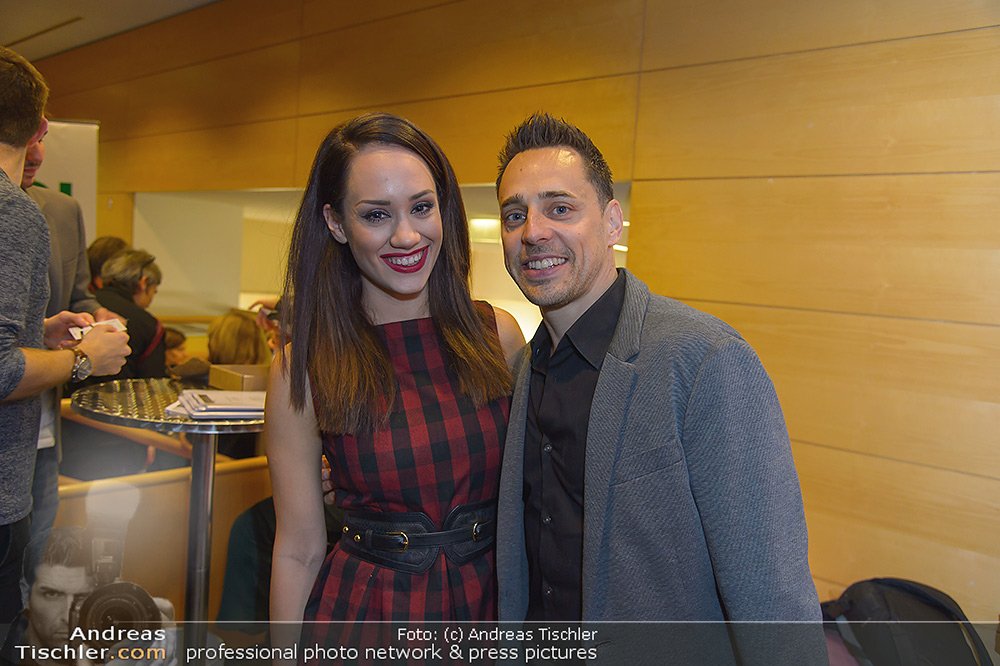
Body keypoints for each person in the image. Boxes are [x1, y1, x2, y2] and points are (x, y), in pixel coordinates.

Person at [493, 113, 825, 663]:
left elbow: (772, 598)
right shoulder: (524, 369)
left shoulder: (703, 359)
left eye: (560, 208)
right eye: (514, 214)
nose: (533, 232)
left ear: (612, 222)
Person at [266, 113, 524, 644]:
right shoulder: (305, 366)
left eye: (422, 207)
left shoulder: (497, 335)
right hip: (371, 618)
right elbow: (298, 548)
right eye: (376, 214)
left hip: (492, 607)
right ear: (336, 223)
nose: (406, 235)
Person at [0, 46, 129, 635]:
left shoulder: (51, 211)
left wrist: (42, 331)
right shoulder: (14, 213)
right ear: (39, 128)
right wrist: (82, 359)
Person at [20, 128, 120, 600]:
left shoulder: (61, 210)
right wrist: (82, 360)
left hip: (43, 431)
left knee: (34, 576)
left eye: (42, 137)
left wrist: (99, 320)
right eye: (26, 137)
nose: (36, 153)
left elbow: (79, 296)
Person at [92, 249, 166, 381]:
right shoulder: (149, 325)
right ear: (143, 283)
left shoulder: (79, 308)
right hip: (121, 393)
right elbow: (152, 381)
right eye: (154, 291)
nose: (149, 302)